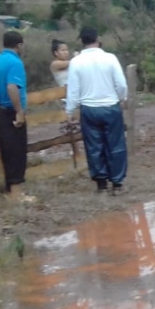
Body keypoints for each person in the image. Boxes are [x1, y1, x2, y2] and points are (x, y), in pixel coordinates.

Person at [65, 28, 129, 195]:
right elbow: (121, 84)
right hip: (110, 106)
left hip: (89, 109)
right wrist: (121, 98)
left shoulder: (76, 62)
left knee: (94, 146)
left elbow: (73, 90)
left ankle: (101, 184)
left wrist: (70, 111)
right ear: (98, 39)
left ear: (82, 41)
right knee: (115, 144)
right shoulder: (110, 58)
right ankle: (117, 183)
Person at [0, 30, 35, 202]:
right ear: (19, 45)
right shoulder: (15, 62)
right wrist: (19, 111)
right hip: (10, 111)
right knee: (17, 151)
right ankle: (17, 193)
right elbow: (12, 87)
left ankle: (10, 189)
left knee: (6, 149)